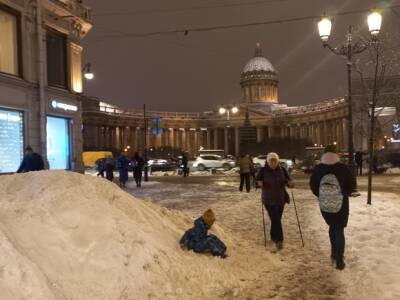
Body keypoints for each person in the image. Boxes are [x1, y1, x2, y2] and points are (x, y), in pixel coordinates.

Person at [310, 145, 355, 270]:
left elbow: (313, 185)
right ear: (336, 154)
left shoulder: (319, 168)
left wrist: (321, 196)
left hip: (325, 205)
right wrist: (343, 194)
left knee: (332, 227)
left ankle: (334, 253)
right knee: (339, 229)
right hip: (341, 205)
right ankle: (339, 258)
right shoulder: (342, 168)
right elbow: (352, 185)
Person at [256, 152, 293, 250]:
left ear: (277, 161)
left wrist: (290, 183)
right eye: (271, 161)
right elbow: (255, 182)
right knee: (276, 219)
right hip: (268, 199)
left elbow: (289, 181)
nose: (273, 163)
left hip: (281, 199)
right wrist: (259, 183)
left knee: (276, 219)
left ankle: (273, 236)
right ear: (267, 162)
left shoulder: (283, 170)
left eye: (274, 161)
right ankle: (279, 240)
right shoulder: (263, 171)